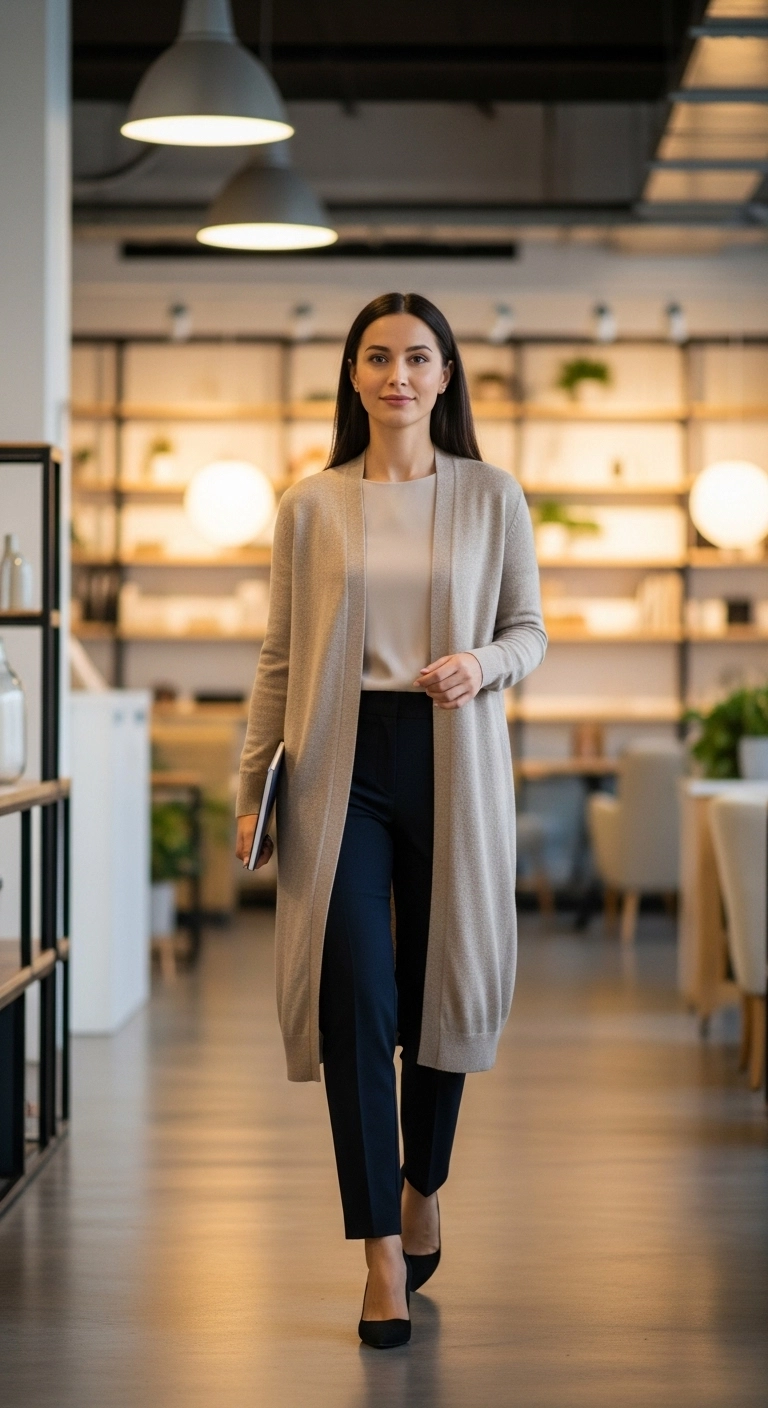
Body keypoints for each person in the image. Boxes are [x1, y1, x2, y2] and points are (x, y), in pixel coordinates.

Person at [235, 291, 547, 1349]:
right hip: (340, 765)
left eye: (418, 358)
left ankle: (426, 1183)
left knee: (442, 993)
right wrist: (251, 787)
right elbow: (279, 656)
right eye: (378, 357)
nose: (397, 375)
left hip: (453, 757)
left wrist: (484, 663)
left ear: (445, 375)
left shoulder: (493, 495)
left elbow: (529, 629)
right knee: (357, 999)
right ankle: (379, 1252)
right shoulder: (311, 506)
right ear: (354, 375)